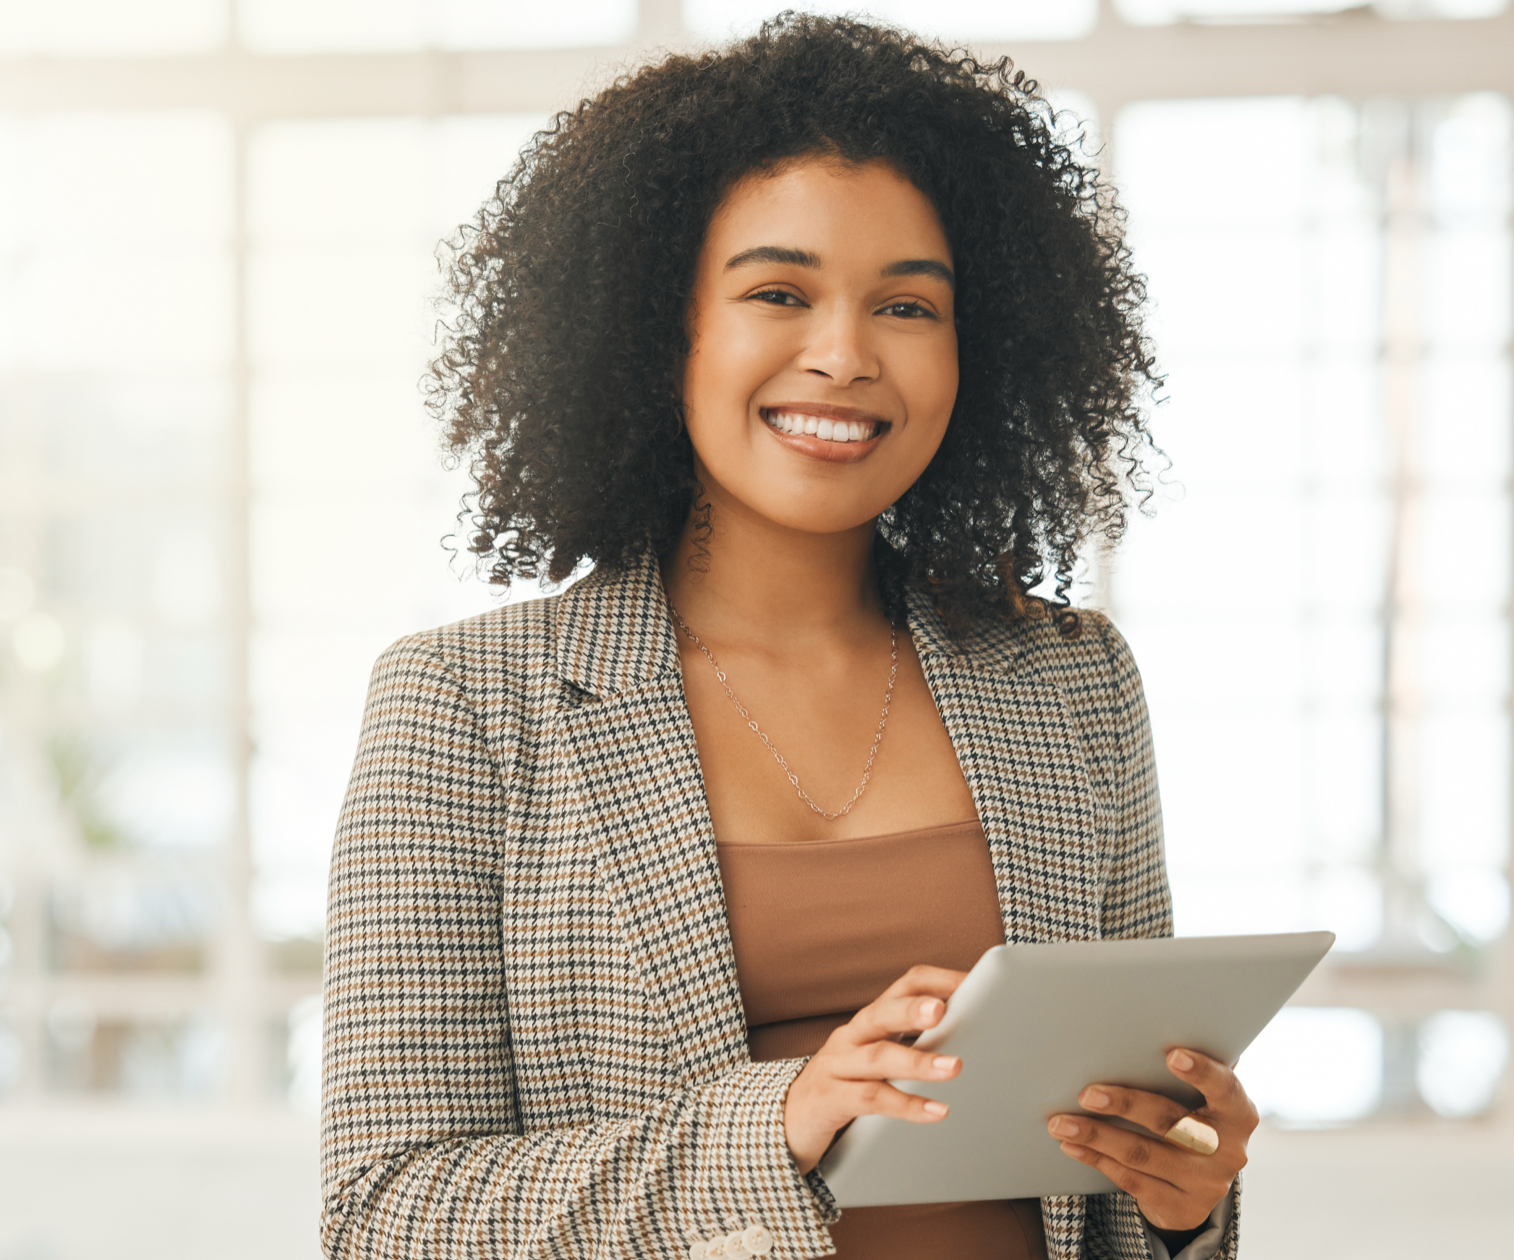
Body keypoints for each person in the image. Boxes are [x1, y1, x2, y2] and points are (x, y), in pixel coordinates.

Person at [319, 15, 1251, 1260]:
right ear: (665, 331)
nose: (845, 356)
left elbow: (1119, 1194)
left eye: (908, 306)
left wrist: (1183, 1193)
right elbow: (387, 1212)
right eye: (778, 291)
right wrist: (788, 1120)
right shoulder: (467, 705)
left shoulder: (1072, 681)